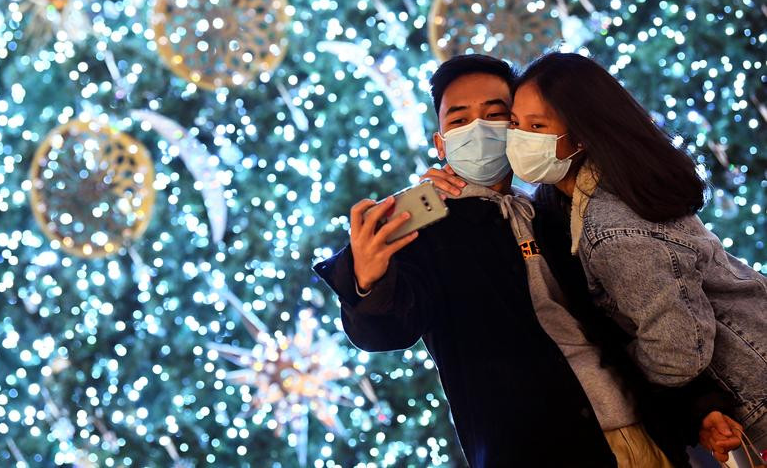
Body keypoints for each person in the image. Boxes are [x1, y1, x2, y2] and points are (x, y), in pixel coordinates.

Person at [313, 54, 732, 467]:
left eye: (495, 115)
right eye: (458, 120)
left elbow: (630, 318)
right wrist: (366, 282)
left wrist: (697, 408)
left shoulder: (559, 213)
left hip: (644, 435)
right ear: (440, 142)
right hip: (537, 451)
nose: (477, 129)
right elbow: (387, 330)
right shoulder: (425, 230)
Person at [500, 51, 767, 465]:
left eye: (538, 127)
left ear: (581, 136)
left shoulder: (612, 229)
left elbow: (677, 352)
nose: (519, 139)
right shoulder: (582, 193)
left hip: (755, 385)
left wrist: (626, 371)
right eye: (515, 124)